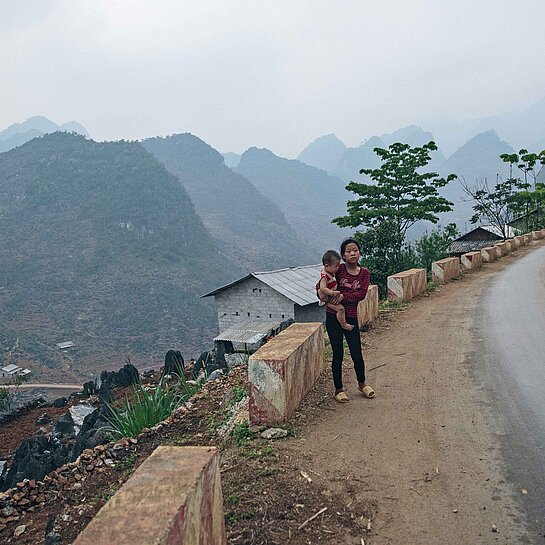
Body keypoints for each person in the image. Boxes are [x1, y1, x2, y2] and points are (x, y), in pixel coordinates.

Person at [325, 237, 375, 403]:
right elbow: (322, 283)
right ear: (343, 256)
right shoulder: (337, 270)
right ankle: (338, 389)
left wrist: (341, 296)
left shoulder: (364, 273)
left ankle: (362, 384)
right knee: (338, 353)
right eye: (348, 251)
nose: (352, 253)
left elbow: (360, 295)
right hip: (333, 317)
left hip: (351, 317)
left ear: (359, 252)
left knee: (356, 353)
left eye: (355, 250)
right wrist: (331, 295)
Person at [316, 250, 353, 331]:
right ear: (327, 266)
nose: (337, 268)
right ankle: (344, 324)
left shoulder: (331, 272)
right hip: (328, 297)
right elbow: (323, 288)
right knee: (341, 309)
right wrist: (332, 293)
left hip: (330, 295)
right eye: (336, 266)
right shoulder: (324, 276)